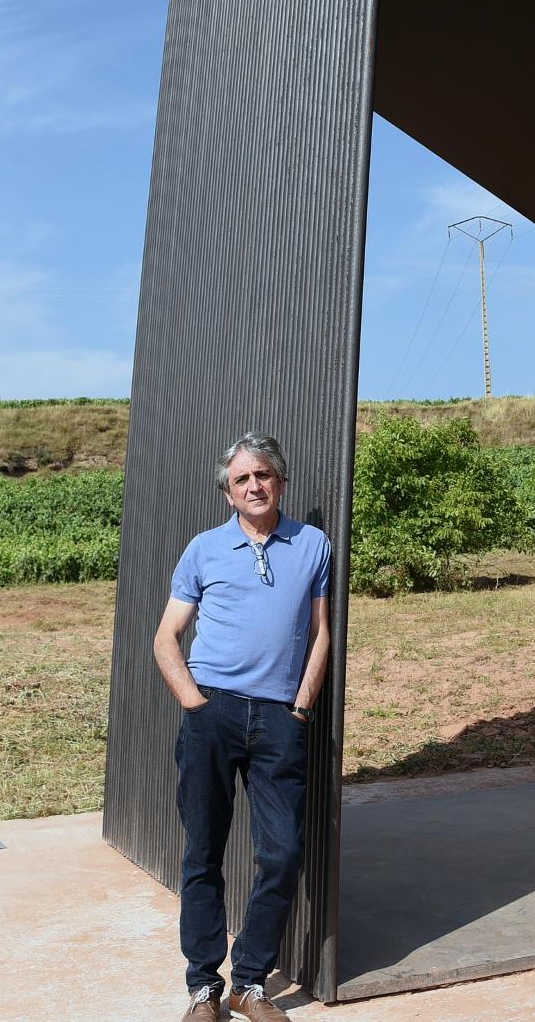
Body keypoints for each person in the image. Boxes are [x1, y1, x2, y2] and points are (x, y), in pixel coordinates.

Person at [153, 432, 331, 1022]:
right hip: (214, 713)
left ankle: (248, 982)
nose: (254, 485)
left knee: (281, 853)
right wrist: (194, 704)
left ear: (280, 480)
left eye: (264, 475)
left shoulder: (312, 545)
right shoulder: (204, 549)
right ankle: (204, 988)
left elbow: (320, 631)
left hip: (280, 719)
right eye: (242, 479)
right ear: (228, 492)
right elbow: (165, 637)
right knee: (203, 851)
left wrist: (301, 708)